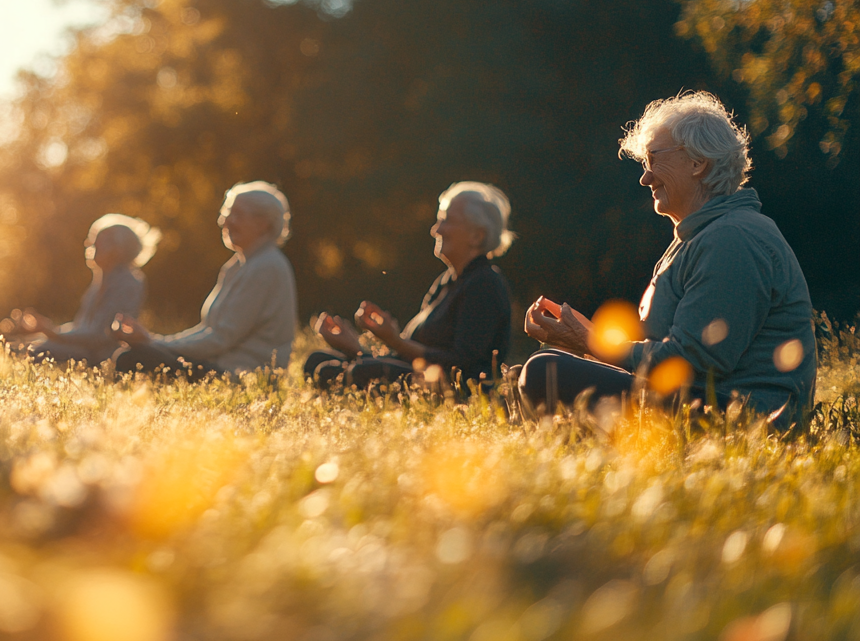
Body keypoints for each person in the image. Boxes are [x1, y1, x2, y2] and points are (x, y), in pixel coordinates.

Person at [520, 90, 815, 428]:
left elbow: (697, 360)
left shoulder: (732, 238)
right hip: (700, 401)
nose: (645, 177)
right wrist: (589, 341)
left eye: (653, 159)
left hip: (742, 418)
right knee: (542, 366)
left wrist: (593, 345)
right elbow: (663, 356)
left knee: (545, 372)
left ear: (697, 162)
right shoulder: (699, 237)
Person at [304, 182, 514, 393]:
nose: (436, 230)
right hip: (420, 377)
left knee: (362, 372)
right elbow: (406, 358)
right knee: (318, 361)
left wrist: (394, 340)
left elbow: (461, 365)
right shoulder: (446, 281)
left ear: (477, 235)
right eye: (439, 220)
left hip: (455, 391)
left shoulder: (484, 285)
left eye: (447, 221)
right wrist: (356, 348)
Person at [112, 181, 297, 379]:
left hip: (241, 375)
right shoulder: (239, 265)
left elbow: (220, 339)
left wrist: (154, 343)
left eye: (238, 215)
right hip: (219, 365)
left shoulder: (266, 267)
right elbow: (208, 331)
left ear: (263, 224)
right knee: (135, 355)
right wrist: (155, 341)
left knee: (132, 358)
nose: (225, 222)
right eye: (227, 214)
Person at [10, 214, 160, 365]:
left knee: (32, 350)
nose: (92, 245)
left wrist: (52, 332)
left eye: (101, 242)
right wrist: (49, 330)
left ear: (118, 249)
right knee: (19, 345)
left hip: (102, 356)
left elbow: (100, 336)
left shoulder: (128, 283)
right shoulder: (101, 281)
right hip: (87, 349)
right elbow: (81, 327)